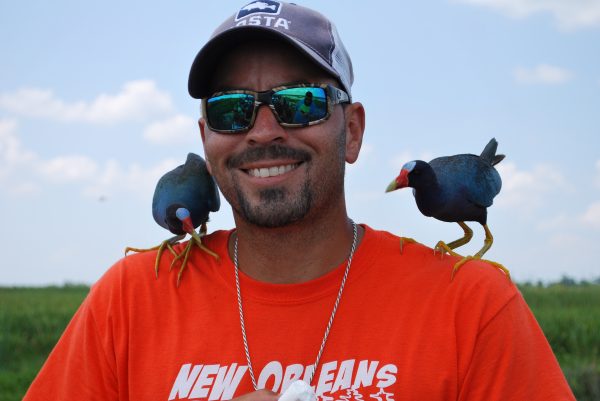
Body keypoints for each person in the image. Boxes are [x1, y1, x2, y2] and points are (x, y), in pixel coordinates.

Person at [24, 2, 575, 401]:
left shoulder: (473, 306)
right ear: (205, 139)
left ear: (352, 131)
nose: (262, 131)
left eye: (300, 102)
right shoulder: (127, 301)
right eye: (231, 109)